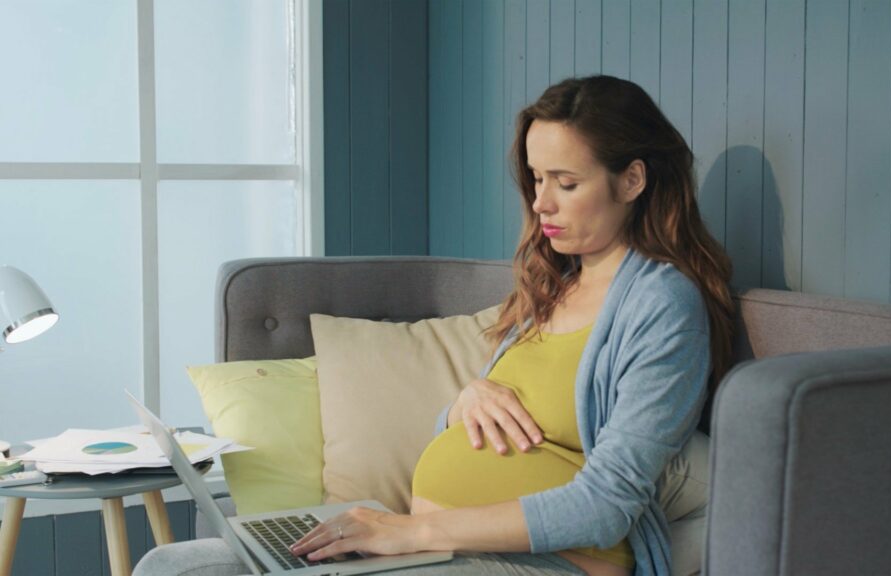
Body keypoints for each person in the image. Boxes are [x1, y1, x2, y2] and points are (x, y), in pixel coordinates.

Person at [135, 75, 733, 576]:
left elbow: (606, 504)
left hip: (551, 561)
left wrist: (412, 532)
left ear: (632, 180)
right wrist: (464, 401)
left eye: (566, 183)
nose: (541, 202)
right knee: (171, 566)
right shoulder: (552, 284)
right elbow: (478, 429)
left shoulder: (660, 307)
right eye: (536, 177)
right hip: (443, 544)